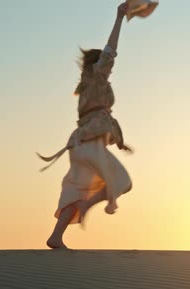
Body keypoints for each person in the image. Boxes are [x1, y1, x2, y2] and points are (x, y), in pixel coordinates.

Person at [39, 2, 133, 249]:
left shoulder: (85, 89)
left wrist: (120, 142)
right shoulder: (98, 78)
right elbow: (111, 50)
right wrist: (119, 17)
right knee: (122, 181)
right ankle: (86, 205)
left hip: (78, 143)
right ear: (97, 65)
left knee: (77, 188)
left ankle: (56, 236)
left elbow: (102, 119)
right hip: (89, 143)